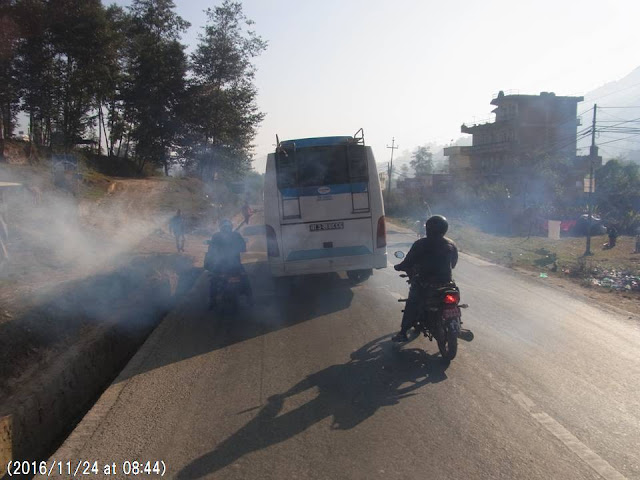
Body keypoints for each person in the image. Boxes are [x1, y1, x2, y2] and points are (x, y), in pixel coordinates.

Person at [392, 215, 458, 342]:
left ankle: (403, 332)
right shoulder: (451, 244)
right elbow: (453, 264)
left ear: (428, 228)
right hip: (447, 283)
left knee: (412, 303)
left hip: (426, 283)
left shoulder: (421, 244)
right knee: (455, 301)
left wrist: (399, 266)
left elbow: (408, 262)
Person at [204, 218, 252, 309]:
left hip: (220, 265)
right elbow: (243, 248)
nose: (226, 229)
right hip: (235, 264)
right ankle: (250, 300)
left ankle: (212, 301)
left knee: (213, 280)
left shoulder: (216, 236)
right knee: (245, 278)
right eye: (225, 227)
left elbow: (211, 251)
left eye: (226, 227)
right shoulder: (236, 235)